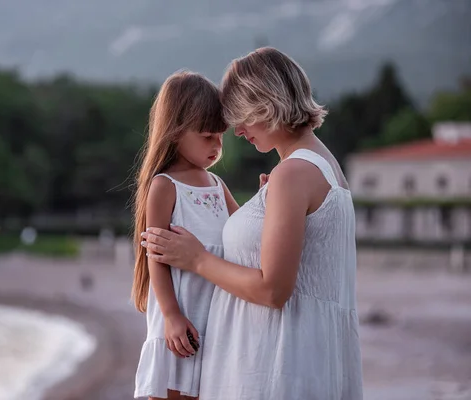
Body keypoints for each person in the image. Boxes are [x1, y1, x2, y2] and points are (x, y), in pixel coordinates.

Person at [141, 48, 364, 400]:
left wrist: (197, 259)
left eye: (241, 117)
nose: (240, 132)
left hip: (277, 364)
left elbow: (272, 290)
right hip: (299, 358)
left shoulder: (293, 173)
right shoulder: (322, 166)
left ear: (266, 104)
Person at [131, 70, 238, 400]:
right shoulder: (165, 186)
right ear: (176, 131)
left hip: (216, 324)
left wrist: (267, 199)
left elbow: (245, 227)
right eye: (208, 136)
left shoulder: (218, 186)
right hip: (179, 321)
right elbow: (156, 258)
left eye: (221, 136)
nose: (217, 146)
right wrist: (172, 316)